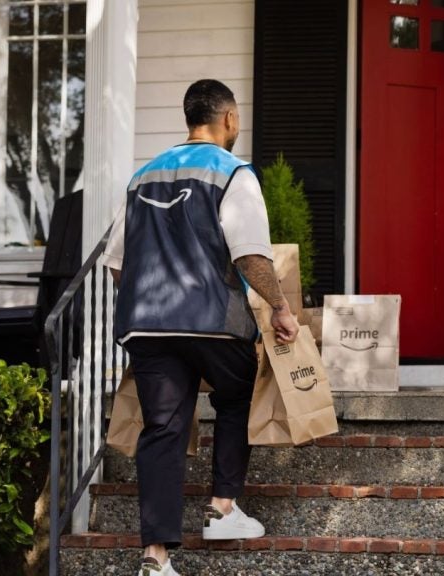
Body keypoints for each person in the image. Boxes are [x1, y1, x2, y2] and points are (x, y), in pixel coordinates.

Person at [103, 79, 299, 576]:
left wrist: (147, 299)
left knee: (162, 428)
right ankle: (222, 508)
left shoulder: (143, 176)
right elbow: (251, 256)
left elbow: (117, 263)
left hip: (147, 325)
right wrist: (280, 308)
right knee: (238, 391)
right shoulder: (233, 172)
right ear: (229, 119)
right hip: (212, 322)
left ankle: (155, 557)